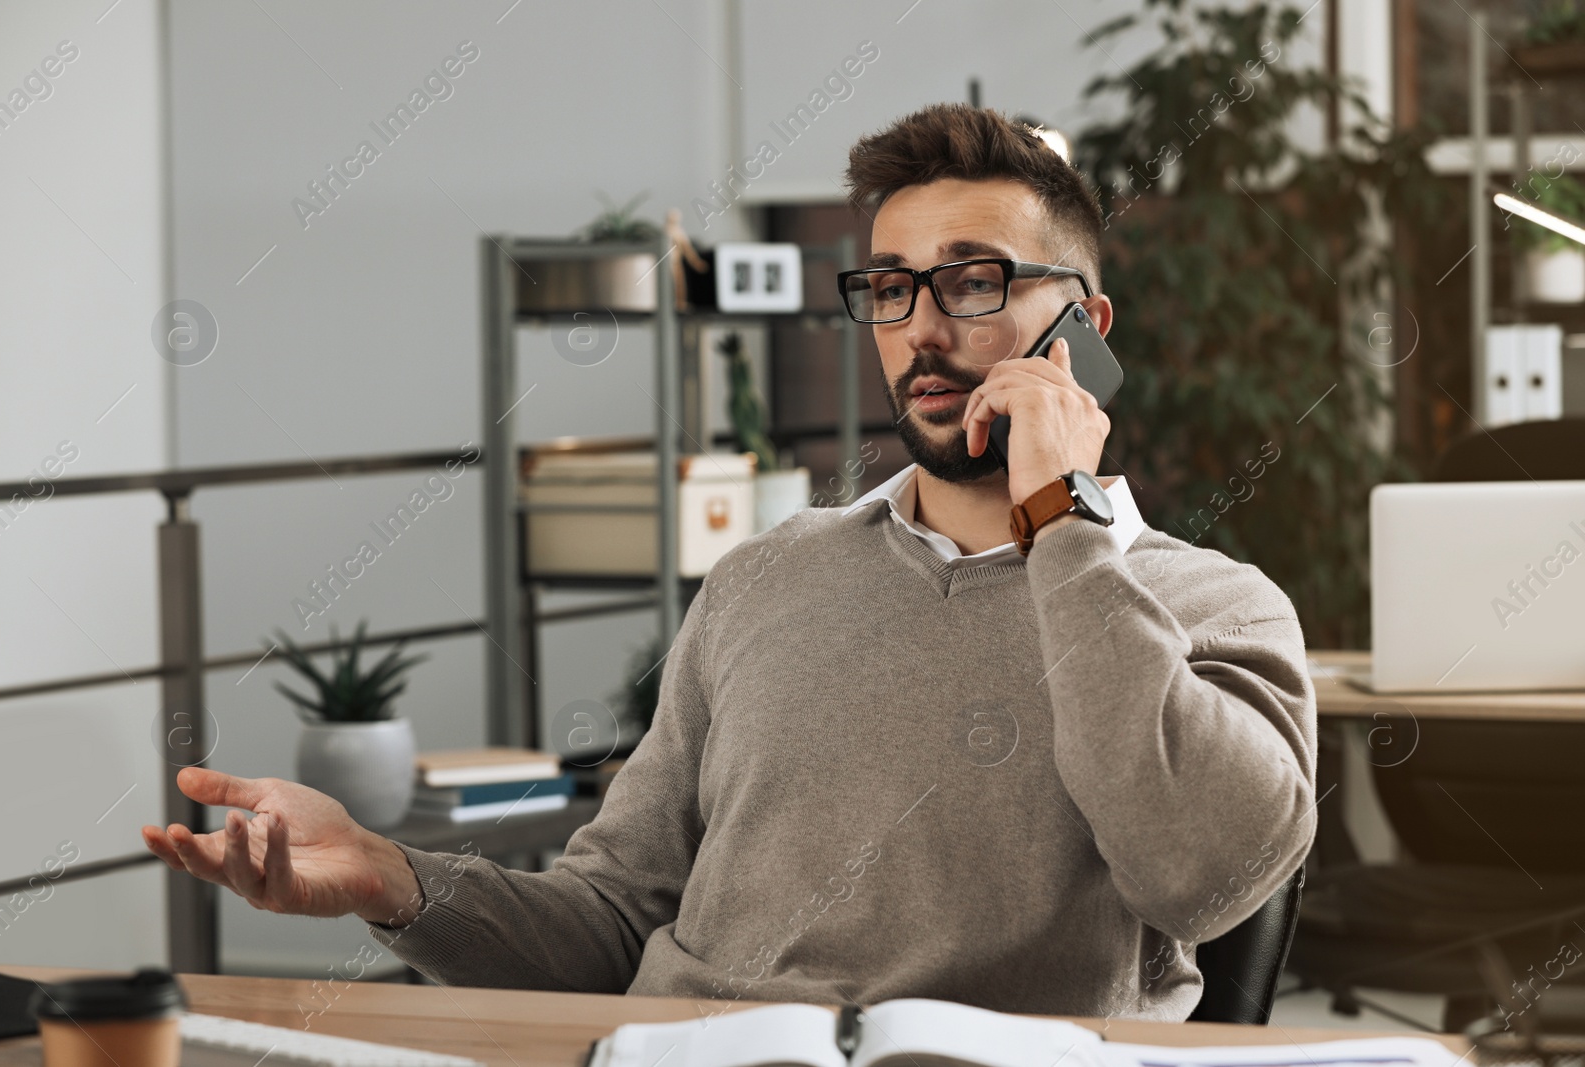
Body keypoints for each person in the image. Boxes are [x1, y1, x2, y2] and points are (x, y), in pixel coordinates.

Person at [142, 103, 1315, 1020]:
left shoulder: (1210, 607)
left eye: (973, 280)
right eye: (892, 288)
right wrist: (387, 875)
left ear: (1085, 329)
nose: (923, 328)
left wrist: (1061, 513)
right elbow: (611, 924)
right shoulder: (765, 578)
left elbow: (1201, 878)